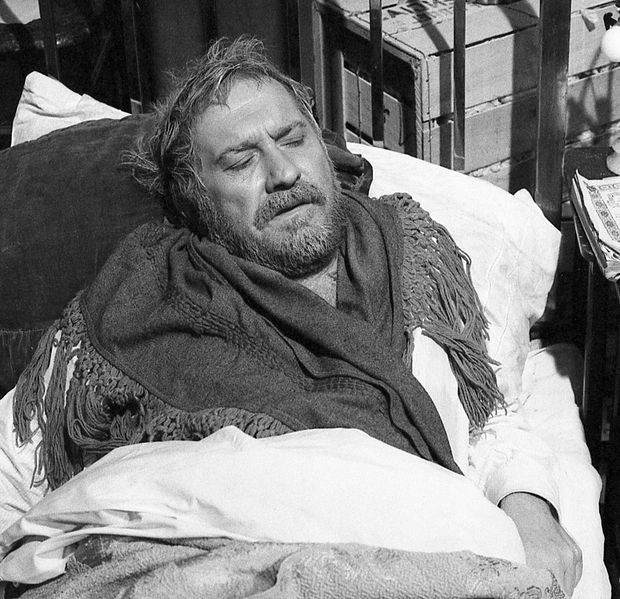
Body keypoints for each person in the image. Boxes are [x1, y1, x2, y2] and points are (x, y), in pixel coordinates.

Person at [0, 37, 583, 595]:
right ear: (197, 199)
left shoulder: (415, 257)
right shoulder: (142, 306)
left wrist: (531, 509)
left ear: (323, 149)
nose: (282, 172)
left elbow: (493, 418)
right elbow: (12, 470)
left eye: (292, 139)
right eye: (240, 161)